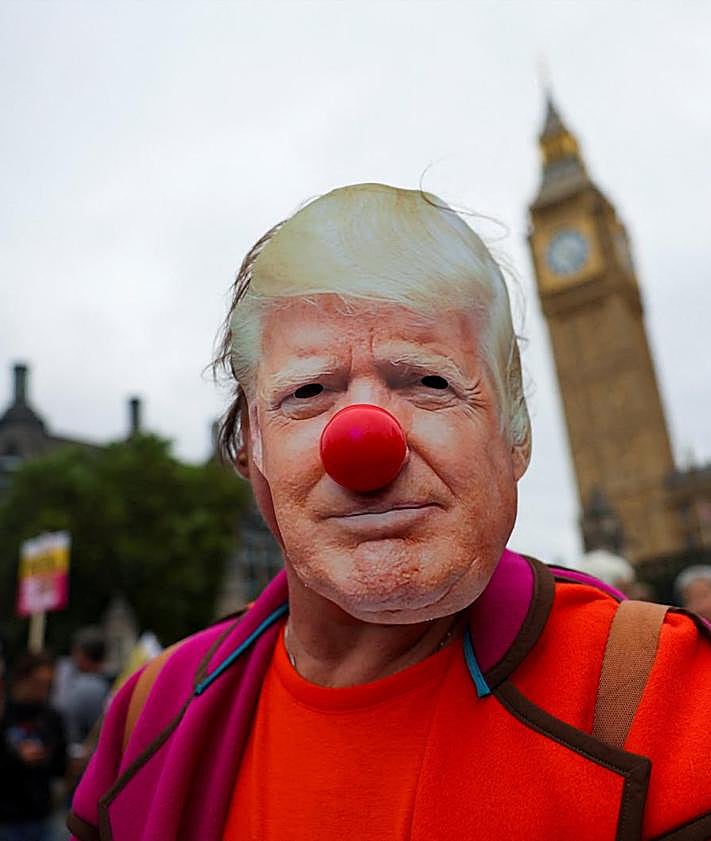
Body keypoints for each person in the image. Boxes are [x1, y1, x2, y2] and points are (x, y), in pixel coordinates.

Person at [68, 184, 711, 840]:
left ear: (515, 434)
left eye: (429, 382)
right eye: (308, 390)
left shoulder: (672, 700)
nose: (364, 444)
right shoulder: (147, 719)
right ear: (248, 448)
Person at [0, 651, 66, 841]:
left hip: (41, 815)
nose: (43, 690)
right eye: (38, 682)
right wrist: (17, 757)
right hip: (7, 816)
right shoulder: (5, 714)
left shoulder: (52, 717)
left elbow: (58, 766)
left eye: (48, 684)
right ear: (22, 678)